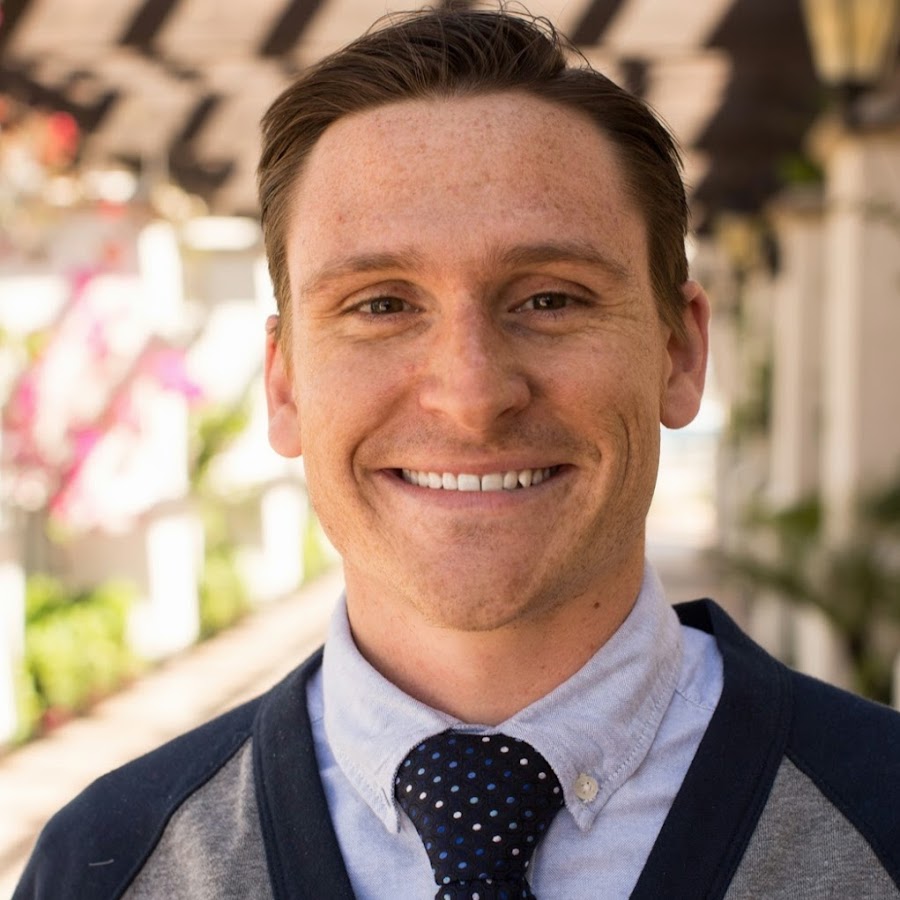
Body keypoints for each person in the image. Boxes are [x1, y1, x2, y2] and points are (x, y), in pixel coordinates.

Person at [15, 8, 900, 900]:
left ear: (680, 353)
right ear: (284, 384)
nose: (472, 396)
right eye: (381, 305)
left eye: (550, 299)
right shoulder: (109, 865)